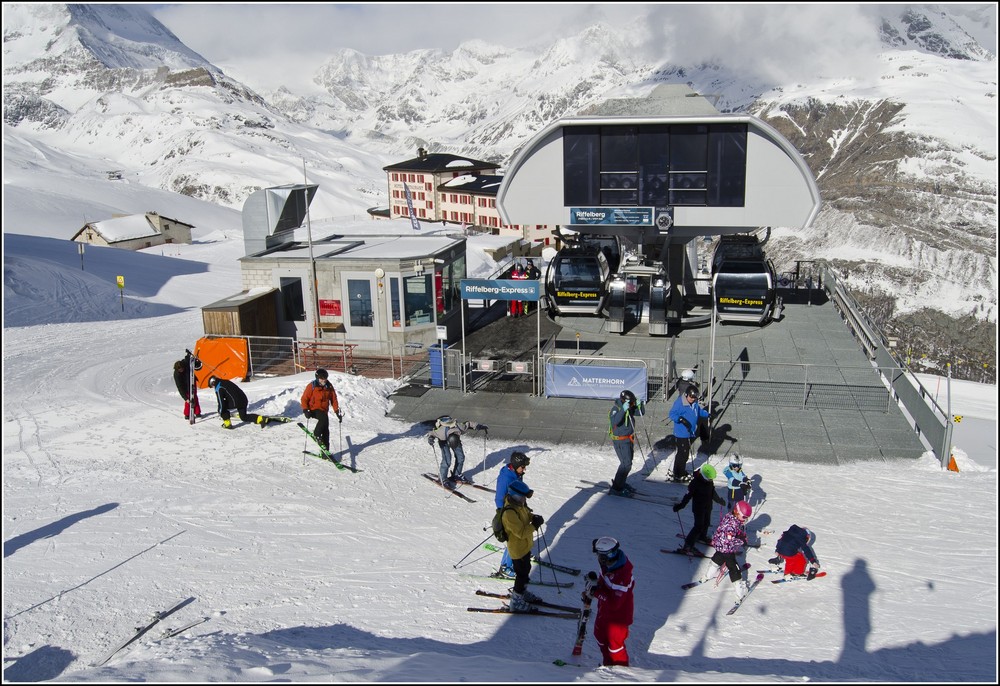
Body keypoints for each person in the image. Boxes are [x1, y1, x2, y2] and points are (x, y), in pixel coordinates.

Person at [583, 537, 635, 667]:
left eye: (601, 555)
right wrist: (595, 586)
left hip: (618, 617)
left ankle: (620, 672)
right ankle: (607, 664)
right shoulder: (608, 563)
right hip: (604, 611)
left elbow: (614, 603)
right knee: (599, 636)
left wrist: (595, 592)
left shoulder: (622, 576)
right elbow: (604, 581)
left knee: (614, 646)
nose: (598, 558)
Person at [696, 501, 754, 600]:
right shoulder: (732, 524)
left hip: (720, 546)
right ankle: (740, 591)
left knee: (718, 557)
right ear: (737, 512)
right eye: (744, 517)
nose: (745, 520)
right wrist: (741, 541)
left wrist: (739, 534)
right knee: (734, 568)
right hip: (727, 549)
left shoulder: (730, 516)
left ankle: (709, 574)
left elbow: (729, 531)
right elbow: (728, 540)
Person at [501, 480, 545, 612]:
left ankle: (522, 593)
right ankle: (516, 601)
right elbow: (520, 533)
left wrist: (533, 517)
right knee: (521, 575)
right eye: (522, 497)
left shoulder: (519, 505)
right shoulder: (509, 513)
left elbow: (525, 514)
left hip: (525, 547)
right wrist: (534, 525)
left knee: (526, 570)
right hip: (517, 549)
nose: (524, 499)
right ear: (515, 496)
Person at [672, 463, 726, 553]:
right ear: (704, 476)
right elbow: (687, 495)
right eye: (709, 478)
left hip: (708, 506)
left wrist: (719, 500)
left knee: (706, 523)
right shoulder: (695, 483)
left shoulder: (709, 481)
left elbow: (712, 492)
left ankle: (702, 536)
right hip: (698, 508)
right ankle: (688, 545)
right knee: (698, 526)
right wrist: (680, 506)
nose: (710, 480)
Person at [494, 451, 530, 579]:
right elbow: (499, 498)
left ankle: (521, 553)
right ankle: (505, 567)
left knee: (518, 536)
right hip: (507, 511)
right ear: (515, 466)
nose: (524, 469)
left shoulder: (517, 473)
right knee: (513, 538)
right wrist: (502, 513)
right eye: (523, 467)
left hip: (517, 508)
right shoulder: (506, 478)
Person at [426, 416, 488, 489]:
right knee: (447, 460)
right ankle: (442, 478)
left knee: (461, 457)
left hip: (455, 439)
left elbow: (468, 424)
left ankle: (456, 475)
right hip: (443, 441)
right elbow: (432, 433)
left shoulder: (459, 427)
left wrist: (478, 426)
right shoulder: (441, 433)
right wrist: (430, 438)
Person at [668, 384, 711, 482]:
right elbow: (671, 414)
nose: (692, 399)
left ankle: (679, 471)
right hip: (681, 432)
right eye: (691, 397)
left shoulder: (694, 403)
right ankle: (679, 473)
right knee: (683, 453)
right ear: (687, 394)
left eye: (694, 397)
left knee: (683, 453)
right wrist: (681, 419)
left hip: (690, 432)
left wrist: (707, 414)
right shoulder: (680, 403)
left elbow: (698, 411)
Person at [607, 390, 645, 497]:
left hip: (628, 439)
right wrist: (624, 410)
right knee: (625, 464)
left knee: (628, 462)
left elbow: (640, 413)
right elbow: (615, 421)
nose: (632, 405)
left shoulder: (629, 406)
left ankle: (621, 483)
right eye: (631, 403)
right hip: (620, 440)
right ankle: (617, 488)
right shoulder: (616, 409)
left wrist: (640, 405)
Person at [300, 368, 341, 454]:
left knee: (326, 430)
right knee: (323, 419)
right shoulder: (312, 386)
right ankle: (316, 433)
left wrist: (337, 411)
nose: (324, 380)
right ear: (317, 378)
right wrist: (305, 409)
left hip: (324, 410)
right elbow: (304, 399)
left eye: (325, 378)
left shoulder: (329, 386)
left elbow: (333, 399)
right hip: (313, 409)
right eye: (322, 378)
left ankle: (325, 452)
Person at [172, 353, 201, 420]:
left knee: (195, 397)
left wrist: (194, 358)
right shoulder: (177, 375)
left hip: (192, 381)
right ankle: (187, 414)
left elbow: (188, 358)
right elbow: (180, 387)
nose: (181, 371)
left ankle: (197, 412)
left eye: (182, 369)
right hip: (185, 387)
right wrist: (185, 398)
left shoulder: (186, 363)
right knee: (189, 400)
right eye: (179, 370)